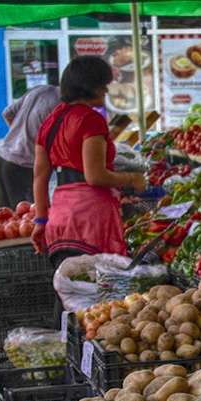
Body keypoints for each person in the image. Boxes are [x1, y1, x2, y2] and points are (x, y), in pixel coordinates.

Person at [31, 55, 145, 268]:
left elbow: (39, 176)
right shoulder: (90, 120)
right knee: (99, 294)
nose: (106, 90)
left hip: (59, 219)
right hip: (90, 219)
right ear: (90, 86)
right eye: (103, 84)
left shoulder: (50, 122)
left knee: (68, 292)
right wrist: (132, 178)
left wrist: (40, 221)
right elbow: (95, 176)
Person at [0, 84, 60, 209]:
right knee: (29, 218)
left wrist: (20, 136)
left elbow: (7, 113)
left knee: (6, 217)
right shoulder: (62, 107)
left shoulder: (40, 90)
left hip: (2, 158)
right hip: (23, 166)